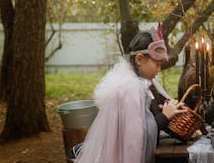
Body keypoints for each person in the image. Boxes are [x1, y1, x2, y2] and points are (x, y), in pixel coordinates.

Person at [75, 26, 186, 163]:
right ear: (139, 59)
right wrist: (165, 116)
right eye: (157, 64)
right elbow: (135, 140)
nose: (158, 70)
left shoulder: (132, 80)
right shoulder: (130, 89)